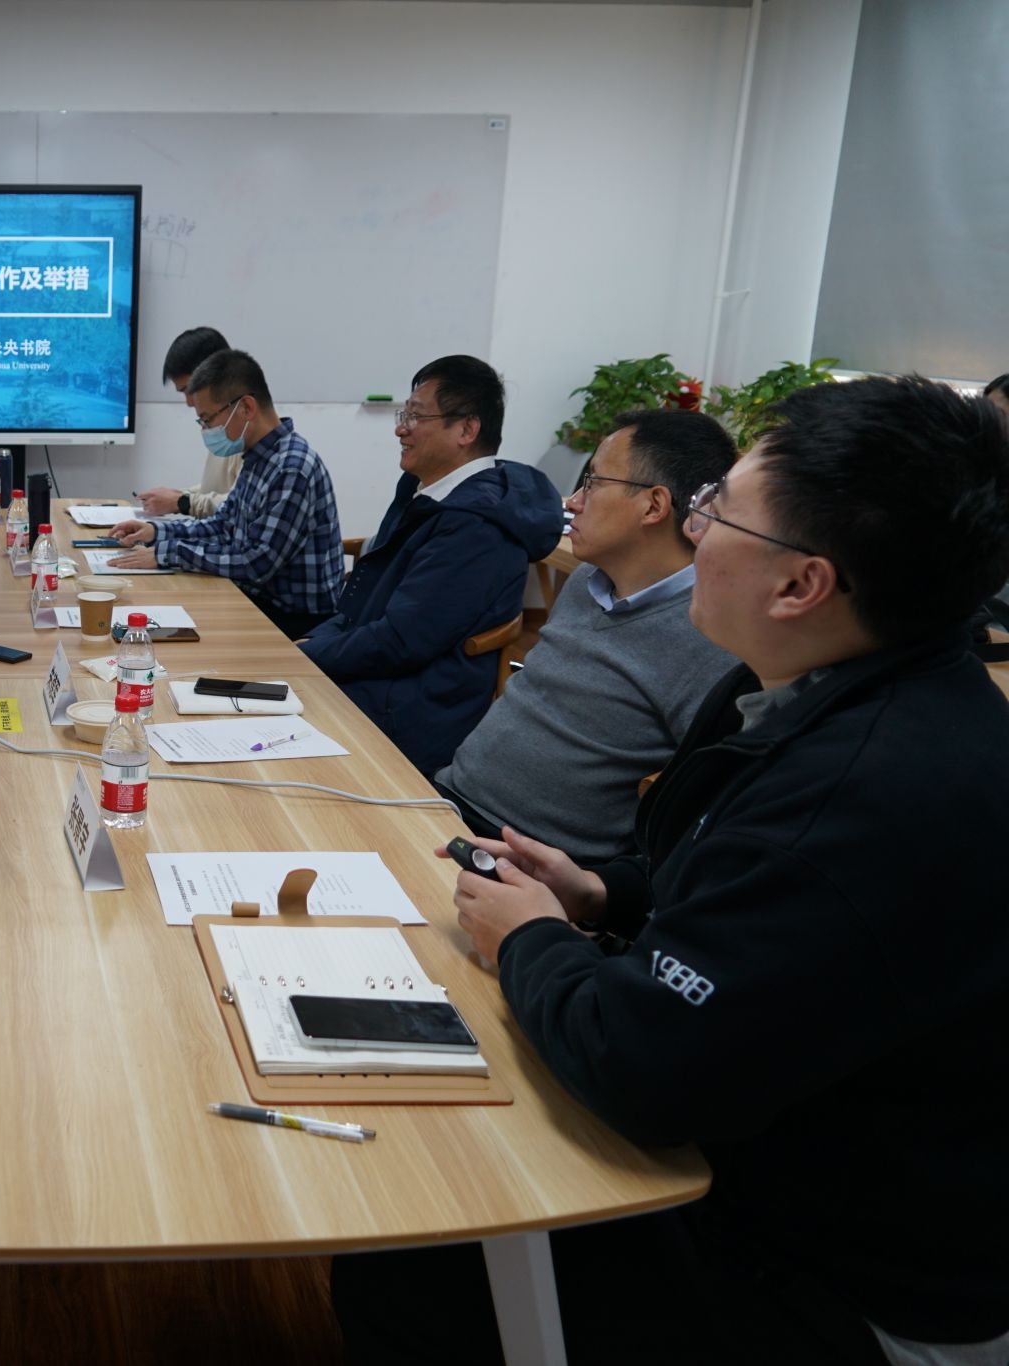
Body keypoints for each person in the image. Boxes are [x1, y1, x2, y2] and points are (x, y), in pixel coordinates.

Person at [334, 376, 1009, 1366]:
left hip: (840, 1284)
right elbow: (731, 894)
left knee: (408, 1253)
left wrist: (528, 937)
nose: (695, 533)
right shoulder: (836, 686)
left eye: (716, 512)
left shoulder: (861, 792)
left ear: (799, 585)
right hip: (771, 1151)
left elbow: (641, 1062)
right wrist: (604, 891)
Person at [432, 409, 738, 860]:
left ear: (654, 505)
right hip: (446, 799)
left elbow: (700, 807)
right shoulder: (587, 581)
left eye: (592, 483)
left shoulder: (711, 637)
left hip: (532, 862)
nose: (573, 501)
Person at [299, 355, 563, 773]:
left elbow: (400, 641)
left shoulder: (474, 525)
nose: (400, 428)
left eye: (416, 416)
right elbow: (363, 607)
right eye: (404, 414)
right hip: (375, 677)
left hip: (404, 712)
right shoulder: (428, 492)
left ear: (467, 430)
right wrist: (310, 645)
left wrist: (306, 655)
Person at [105, 349, 343, 639]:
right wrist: (156, 532)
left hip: (292, 622)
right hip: (255, 602)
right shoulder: (259, 458)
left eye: (207, 420)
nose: (206, 430)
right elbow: (222, 525)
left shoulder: (291, 468)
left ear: (246, 408)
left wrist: (168, 553)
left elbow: (256, 563)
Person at [136, 326, 236, 519]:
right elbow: (216, 489)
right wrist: (177, 496)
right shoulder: (221, 421)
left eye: (190, 390)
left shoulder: (244, 426)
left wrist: (180, 502)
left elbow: (240, 505)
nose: (189, 403)